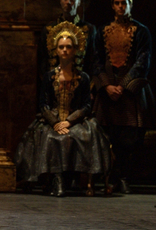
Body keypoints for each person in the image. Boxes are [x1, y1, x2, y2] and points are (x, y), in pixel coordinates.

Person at [15, 21, 111, 197]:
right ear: (56, 50)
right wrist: (55, 122)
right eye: (61, 47)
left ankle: (73, 179)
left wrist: (68, 121)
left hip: (76, 120)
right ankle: (56, 179)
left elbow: (86, 105)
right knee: (50, 138)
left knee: (80, 136)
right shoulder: (49, 76)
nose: (65, 50)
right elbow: (43, 103)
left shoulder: (82, 77)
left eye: (68, 47)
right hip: (52, 119)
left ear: (75, 50)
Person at [93, 0, 154, 194]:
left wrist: (124, 85)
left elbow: (142, 61)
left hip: (131, 92)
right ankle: (110, 178)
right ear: (112, 5)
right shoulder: (101, 31)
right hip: (108, 91)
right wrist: (106, 85)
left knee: (130, 136)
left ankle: (125, 177)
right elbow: (96, 60)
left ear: (130, 5)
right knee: (108, 134)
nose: (121, 6)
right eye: (117, 3)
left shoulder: (141, 31)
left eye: (124, 3)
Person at [38, 0, 97, 81]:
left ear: (79, 2)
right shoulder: (49, 29)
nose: (68, 2)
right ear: (60, 1)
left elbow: (92, 60)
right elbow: (43, 60)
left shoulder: (89, 29)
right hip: (55, 82)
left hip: (80, 82)